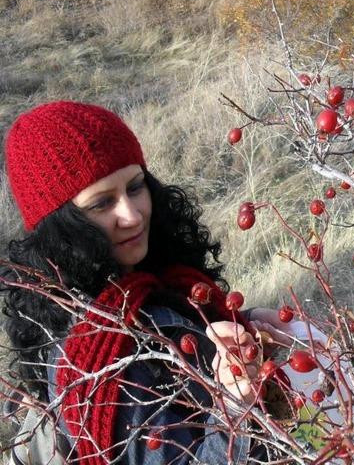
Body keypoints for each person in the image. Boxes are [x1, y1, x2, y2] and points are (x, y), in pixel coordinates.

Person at [0, 101, 269, 464]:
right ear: (60, 226)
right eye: (101, 204)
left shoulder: (151, 280)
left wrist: (251, 328)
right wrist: (234, 405)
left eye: (135, 186)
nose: (131, 215)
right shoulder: (96, 361)